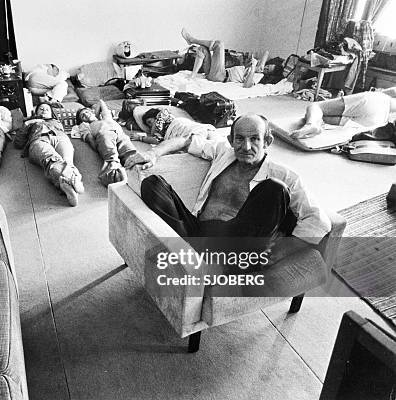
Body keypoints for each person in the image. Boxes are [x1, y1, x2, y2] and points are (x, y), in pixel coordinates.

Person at [124, 113, 331, 266]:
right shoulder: (223, 152)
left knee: (275, 189)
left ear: (267, 141)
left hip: (238, 245)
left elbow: (318, 220)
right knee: (153, 184)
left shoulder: (285, 175)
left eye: (255, 139)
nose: (246, 146)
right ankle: (194, 255)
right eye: (239, 139)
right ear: (231, 140)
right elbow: (187, 142)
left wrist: (280, 252)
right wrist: (154, 153)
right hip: (197, 232)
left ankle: (215, 261)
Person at [15, 102, 84, 206]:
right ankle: (74, 180)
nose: (44, 110)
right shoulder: (30, 122)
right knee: (52, 159)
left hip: (60, 138)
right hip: (39, 140)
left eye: (47, 109)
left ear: (52, 113)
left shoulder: (56, 121)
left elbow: (61, 105)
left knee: (68, 160)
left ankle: (66, 185)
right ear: (36, 112)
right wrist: (27, 123)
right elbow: (18, 143)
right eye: (41, 109)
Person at [291, 87, 396, 139]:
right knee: (323, 117)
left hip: (378, 101)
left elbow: (386, 93)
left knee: (316, 106)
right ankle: (315, 123)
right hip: (378, 122)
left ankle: (311, 124)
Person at [75, 100, 138, 186]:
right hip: (105, 135)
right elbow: (89, 139)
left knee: (131, 155)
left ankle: (135, 172)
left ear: (92, 111)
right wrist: (99, 146)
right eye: (83, 116)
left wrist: (95, 116)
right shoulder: (85, 126)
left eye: (86, 112)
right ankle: (115, 173)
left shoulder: (106, 117)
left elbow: (100, 102)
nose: (86, 114)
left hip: (120, 135)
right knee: (112, 158)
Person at [181, 28, 270, 88]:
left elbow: (247, 85)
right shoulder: (253, 68)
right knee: (203, 49)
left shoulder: (258, 75)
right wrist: (260, 64)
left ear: (265, 73)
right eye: (266, 66)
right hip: (214, 74)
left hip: (221, 77)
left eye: (266, 70)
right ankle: (192, 75)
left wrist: (254, 68)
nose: (264, 68)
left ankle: (192, 40)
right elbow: (266, 53)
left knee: (219, 44)